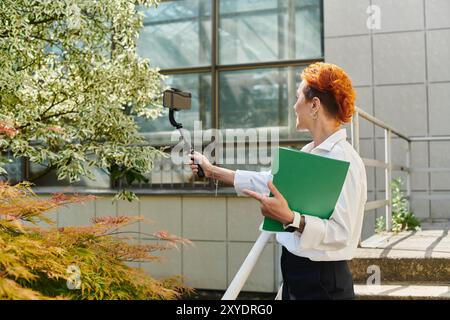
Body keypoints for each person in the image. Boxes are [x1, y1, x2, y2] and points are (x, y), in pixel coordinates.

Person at [189, 62, 367, 300]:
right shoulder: (310, 152)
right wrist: (212, 171)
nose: (294, 106)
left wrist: (291, 218)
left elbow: (341, 234)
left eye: (298, 98)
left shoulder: (342, 159)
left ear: (314, 105)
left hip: (322, 284)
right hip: (296, 273)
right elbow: (270, 182)